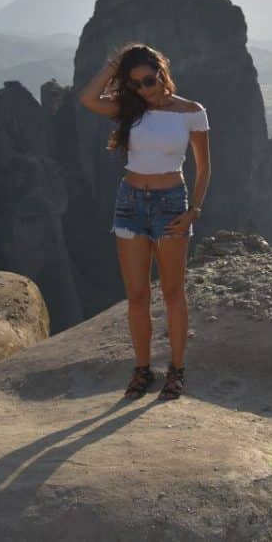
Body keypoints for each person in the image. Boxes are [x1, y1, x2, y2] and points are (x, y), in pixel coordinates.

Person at [78, 43, 211, 401]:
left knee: (172, 292)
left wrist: (194, 210)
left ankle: (176, 370)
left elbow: (203, 167)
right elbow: (88, 98)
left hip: (171, 205)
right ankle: (142, 369)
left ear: (162, 74)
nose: (144, 89)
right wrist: (116, 64)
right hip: (130, 203)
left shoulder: (192, 112)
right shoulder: (129, 108)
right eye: (135, 84)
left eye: (149, 80)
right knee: (137, 295)